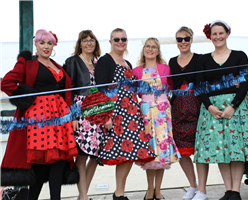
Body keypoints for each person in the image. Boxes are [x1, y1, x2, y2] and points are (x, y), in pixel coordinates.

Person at [0, 29, 79, 200]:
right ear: (36, 44)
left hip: (61, 116)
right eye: (42, 42)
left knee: (60, 158)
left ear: (53, 46)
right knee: (39, 163)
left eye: (49, 43)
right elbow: (6, 83)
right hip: (39, 118)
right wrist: (27, 98)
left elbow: (66, 92)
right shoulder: (28, 64)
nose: (46, 46)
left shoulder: (57, 65)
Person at [194, 20, 248, 200]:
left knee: (236, 148)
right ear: (210, 36)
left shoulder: (240, 56)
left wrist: (233, 106)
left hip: (236, 107)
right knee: (221, 150)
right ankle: (228, 191)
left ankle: (236, 191)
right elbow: (200, 86)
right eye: (214, 34)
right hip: (212, 109)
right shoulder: (203, 60)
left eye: (221, 33)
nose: (218, 37)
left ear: (227, 33)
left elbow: (245, 82)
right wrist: (209, 107)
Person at [95, 28, 155, 200]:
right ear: (110, 42)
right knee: (120, 152)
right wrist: (106, 115)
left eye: (123, 39)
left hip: (131, 113)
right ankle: (119, 193)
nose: (120, 42)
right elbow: (100, 89)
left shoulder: (127, 63)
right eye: (117, 39)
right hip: (116, 113)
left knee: (129, 153)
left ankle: (119, 193)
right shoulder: (105, 61)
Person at [133, 37, 181, 200]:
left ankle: (158, 190)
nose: (150, 49)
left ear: (158, 50)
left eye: (154, 47)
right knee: (150, 151)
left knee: (161, 151)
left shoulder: (165, 68)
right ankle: (149, 188)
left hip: (162, 112)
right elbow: (136, 93)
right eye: (148, 46)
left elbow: (171, 87)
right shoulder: (137, 70)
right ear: (144, 49)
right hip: (146, 113)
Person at [64, 30, 101, 200]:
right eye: (85, 40)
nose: (89, 43)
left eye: (91, 40)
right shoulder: (72, 61)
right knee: (81, 156)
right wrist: (72, 117)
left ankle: (82, 196)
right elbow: (68, 92)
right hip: (80, 112)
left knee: (95, 156)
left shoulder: (98, 63)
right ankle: (84, 197)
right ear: (80, 43)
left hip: (97, 111)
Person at [168, 26, 202, 200]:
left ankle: (202, 189)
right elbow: (167, 84)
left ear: (191, 39)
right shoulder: (172, 62)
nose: (183, 42)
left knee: (200, 149)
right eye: (180, 39)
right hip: (178, 108)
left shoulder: (200, 59)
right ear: (176, 41)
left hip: (197, 107)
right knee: (181, 151)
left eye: (186, 39)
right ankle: (192, 185)